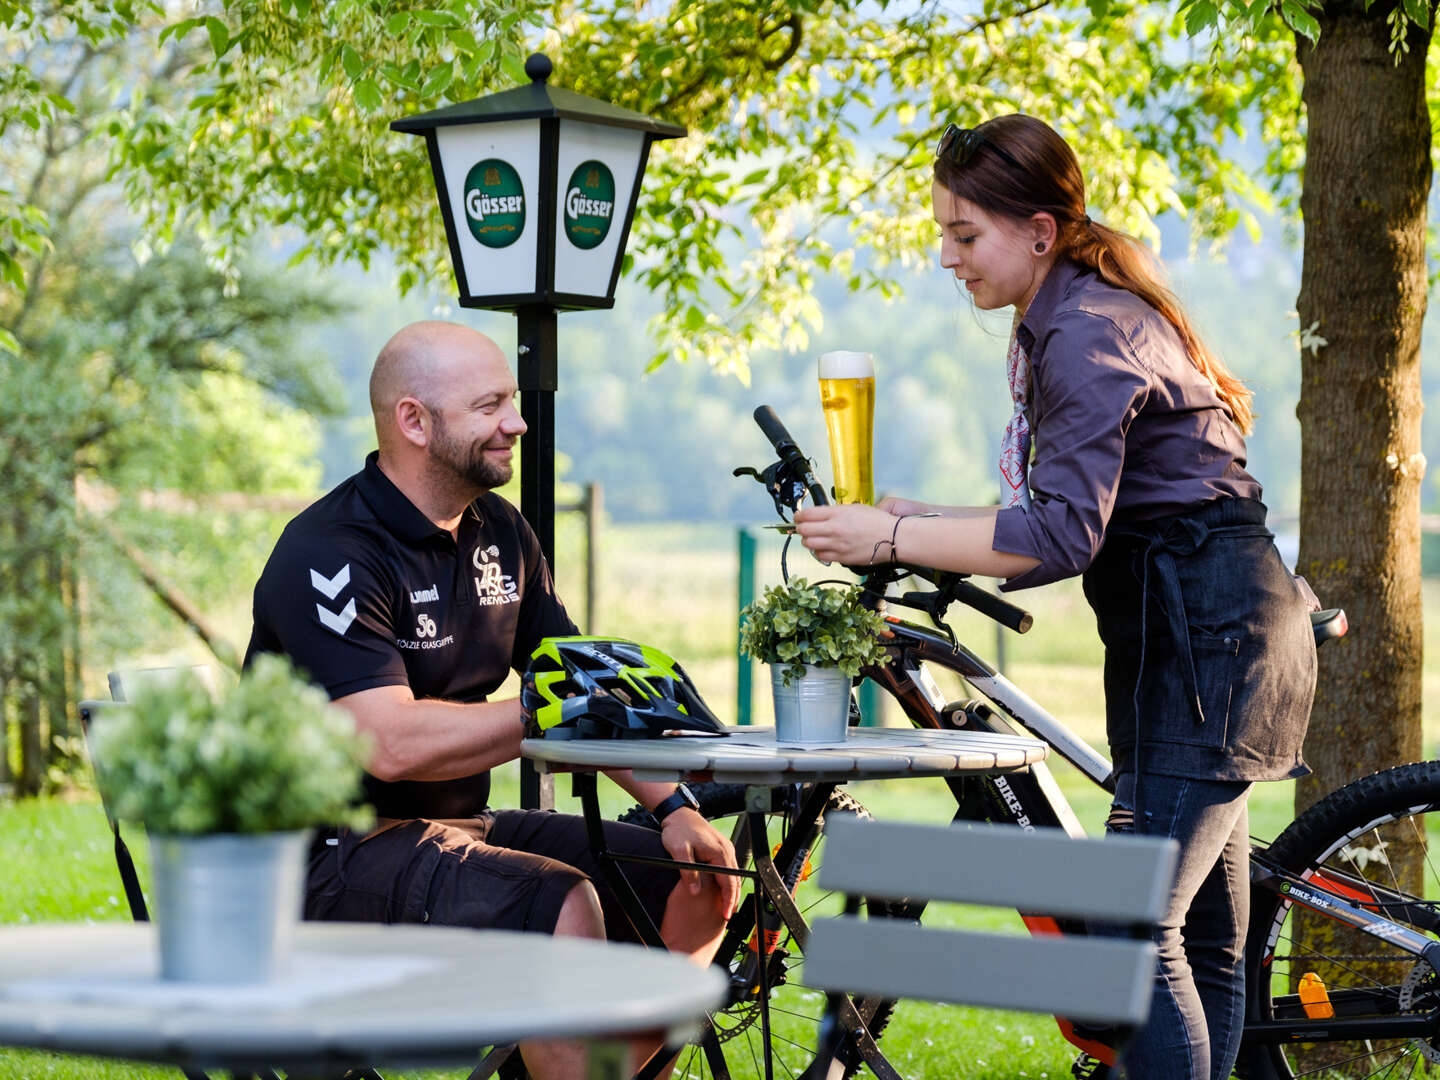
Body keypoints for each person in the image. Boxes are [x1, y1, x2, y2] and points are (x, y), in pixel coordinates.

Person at [793, 115, 1316, 1080]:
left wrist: (893, 536)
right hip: (1200, 634)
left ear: (1039, 231)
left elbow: (1059, 537)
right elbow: (1074, 511)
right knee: (1203, 941)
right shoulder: (1081, 309)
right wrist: (918, 515)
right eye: (943, 234)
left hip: (1210, 642)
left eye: (964, 234)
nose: (947, 257)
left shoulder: (1081, 331)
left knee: (1131, 931)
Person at [245, 320, 739, 1080]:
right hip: (326, 858)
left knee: (703, 879)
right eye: (490, 406)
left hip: (461, 827)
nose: (517, 421)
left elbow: (576, 683)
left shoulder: (502, 531)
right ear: (414, 421)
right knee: (560, 902)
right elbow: (390, 743)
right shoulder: (329, 552)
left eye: (512, 399)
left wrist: (674, 807)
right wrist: (546, 714)